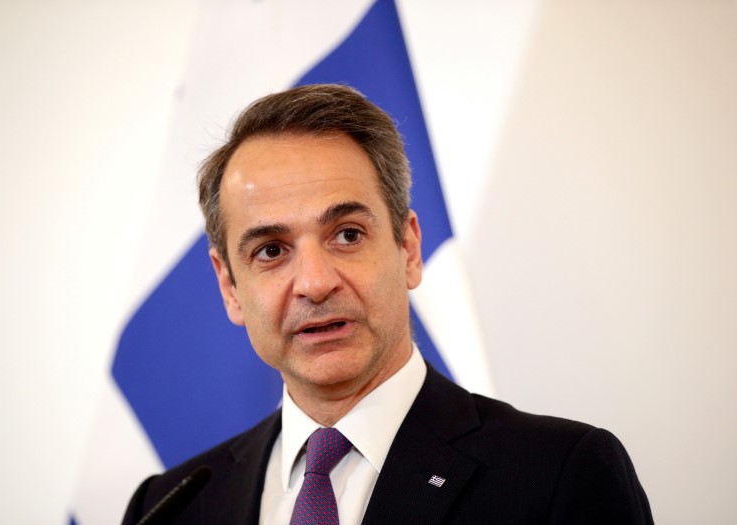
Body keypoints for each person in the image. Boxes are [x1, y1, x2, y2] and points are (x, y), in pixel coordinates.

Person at [122, 84, 653, 524]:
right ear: (230, 287)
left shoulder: (557, 473)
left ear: (408, 249)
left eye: (347, 235)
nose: (313, 282)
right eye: (271, 250)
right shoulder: (169, 506)